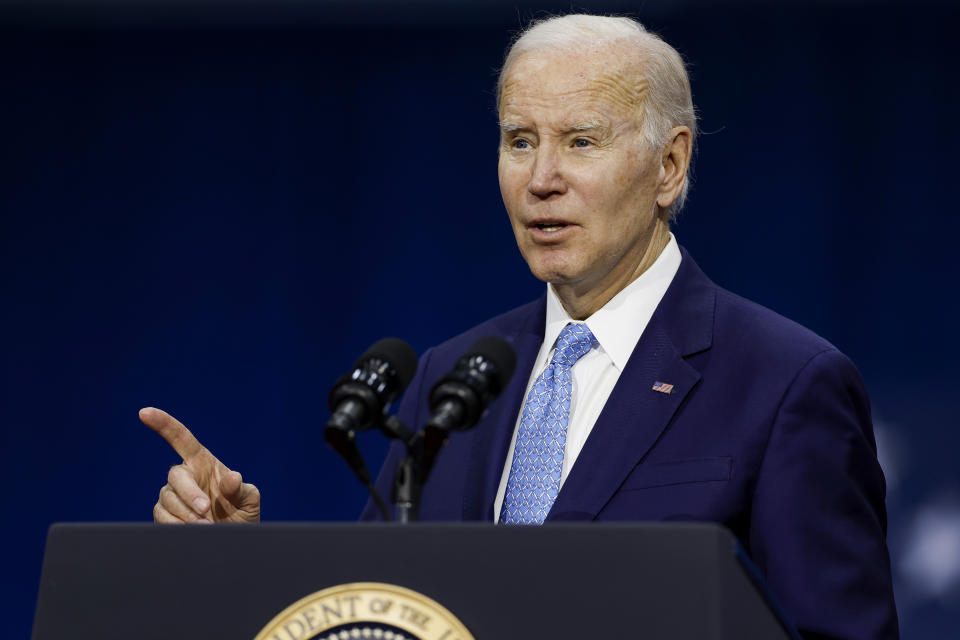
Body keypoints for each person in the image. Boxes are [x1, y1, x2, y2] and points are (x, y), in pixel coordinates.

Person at [142, 14, 898, 638]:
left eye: (580, 141)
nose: (541, 179)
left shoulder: (784, 383)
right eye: (520, 141)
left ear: (669, 165)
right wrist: (234, 562)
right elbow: (377, 614)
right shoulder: (454, 374)